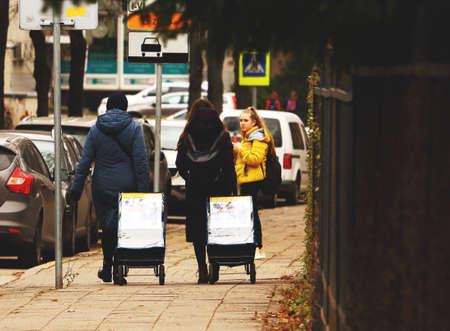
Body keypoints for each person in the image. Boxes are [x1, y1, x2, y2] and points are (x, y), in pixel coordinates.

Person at [70, 92, 149, 284]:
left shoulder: (96, 130)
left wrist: (76, 188)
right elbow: (141, 162)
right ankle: (119, 265)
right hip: (127, 184)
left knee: (107, 226)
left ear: (108, 108)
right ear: (125, 107)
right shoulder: (134, 128)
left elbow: (85, 161)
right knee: (123, 224)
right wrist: (143, 191)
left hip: (102, 185)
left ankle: (107, 265)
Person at [176, 99, 237, 284]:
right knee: (216, 228)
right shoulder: (222, 135)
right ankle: (214, 266)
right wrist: (231, 189)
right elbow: (229, 164)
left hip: (195, 189)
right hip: (218, 189)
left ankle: (202, 268)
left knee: (198, 230)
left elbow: (180, 163)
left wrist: (190, 177)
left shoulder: (188, 135)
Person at [233, 106, 275, 249]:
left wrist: (240, 149)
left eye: (245, 120)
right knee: (248, 212)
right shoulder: (247, 137)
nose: (242, 123)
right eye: (240, 120)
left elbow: (255, 159)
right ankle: (250, 243)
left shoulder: (258, 137)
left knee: (251, 212)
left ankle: (257, 245)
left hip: (253, 180)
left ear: (253, 122)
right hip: (245, 179)